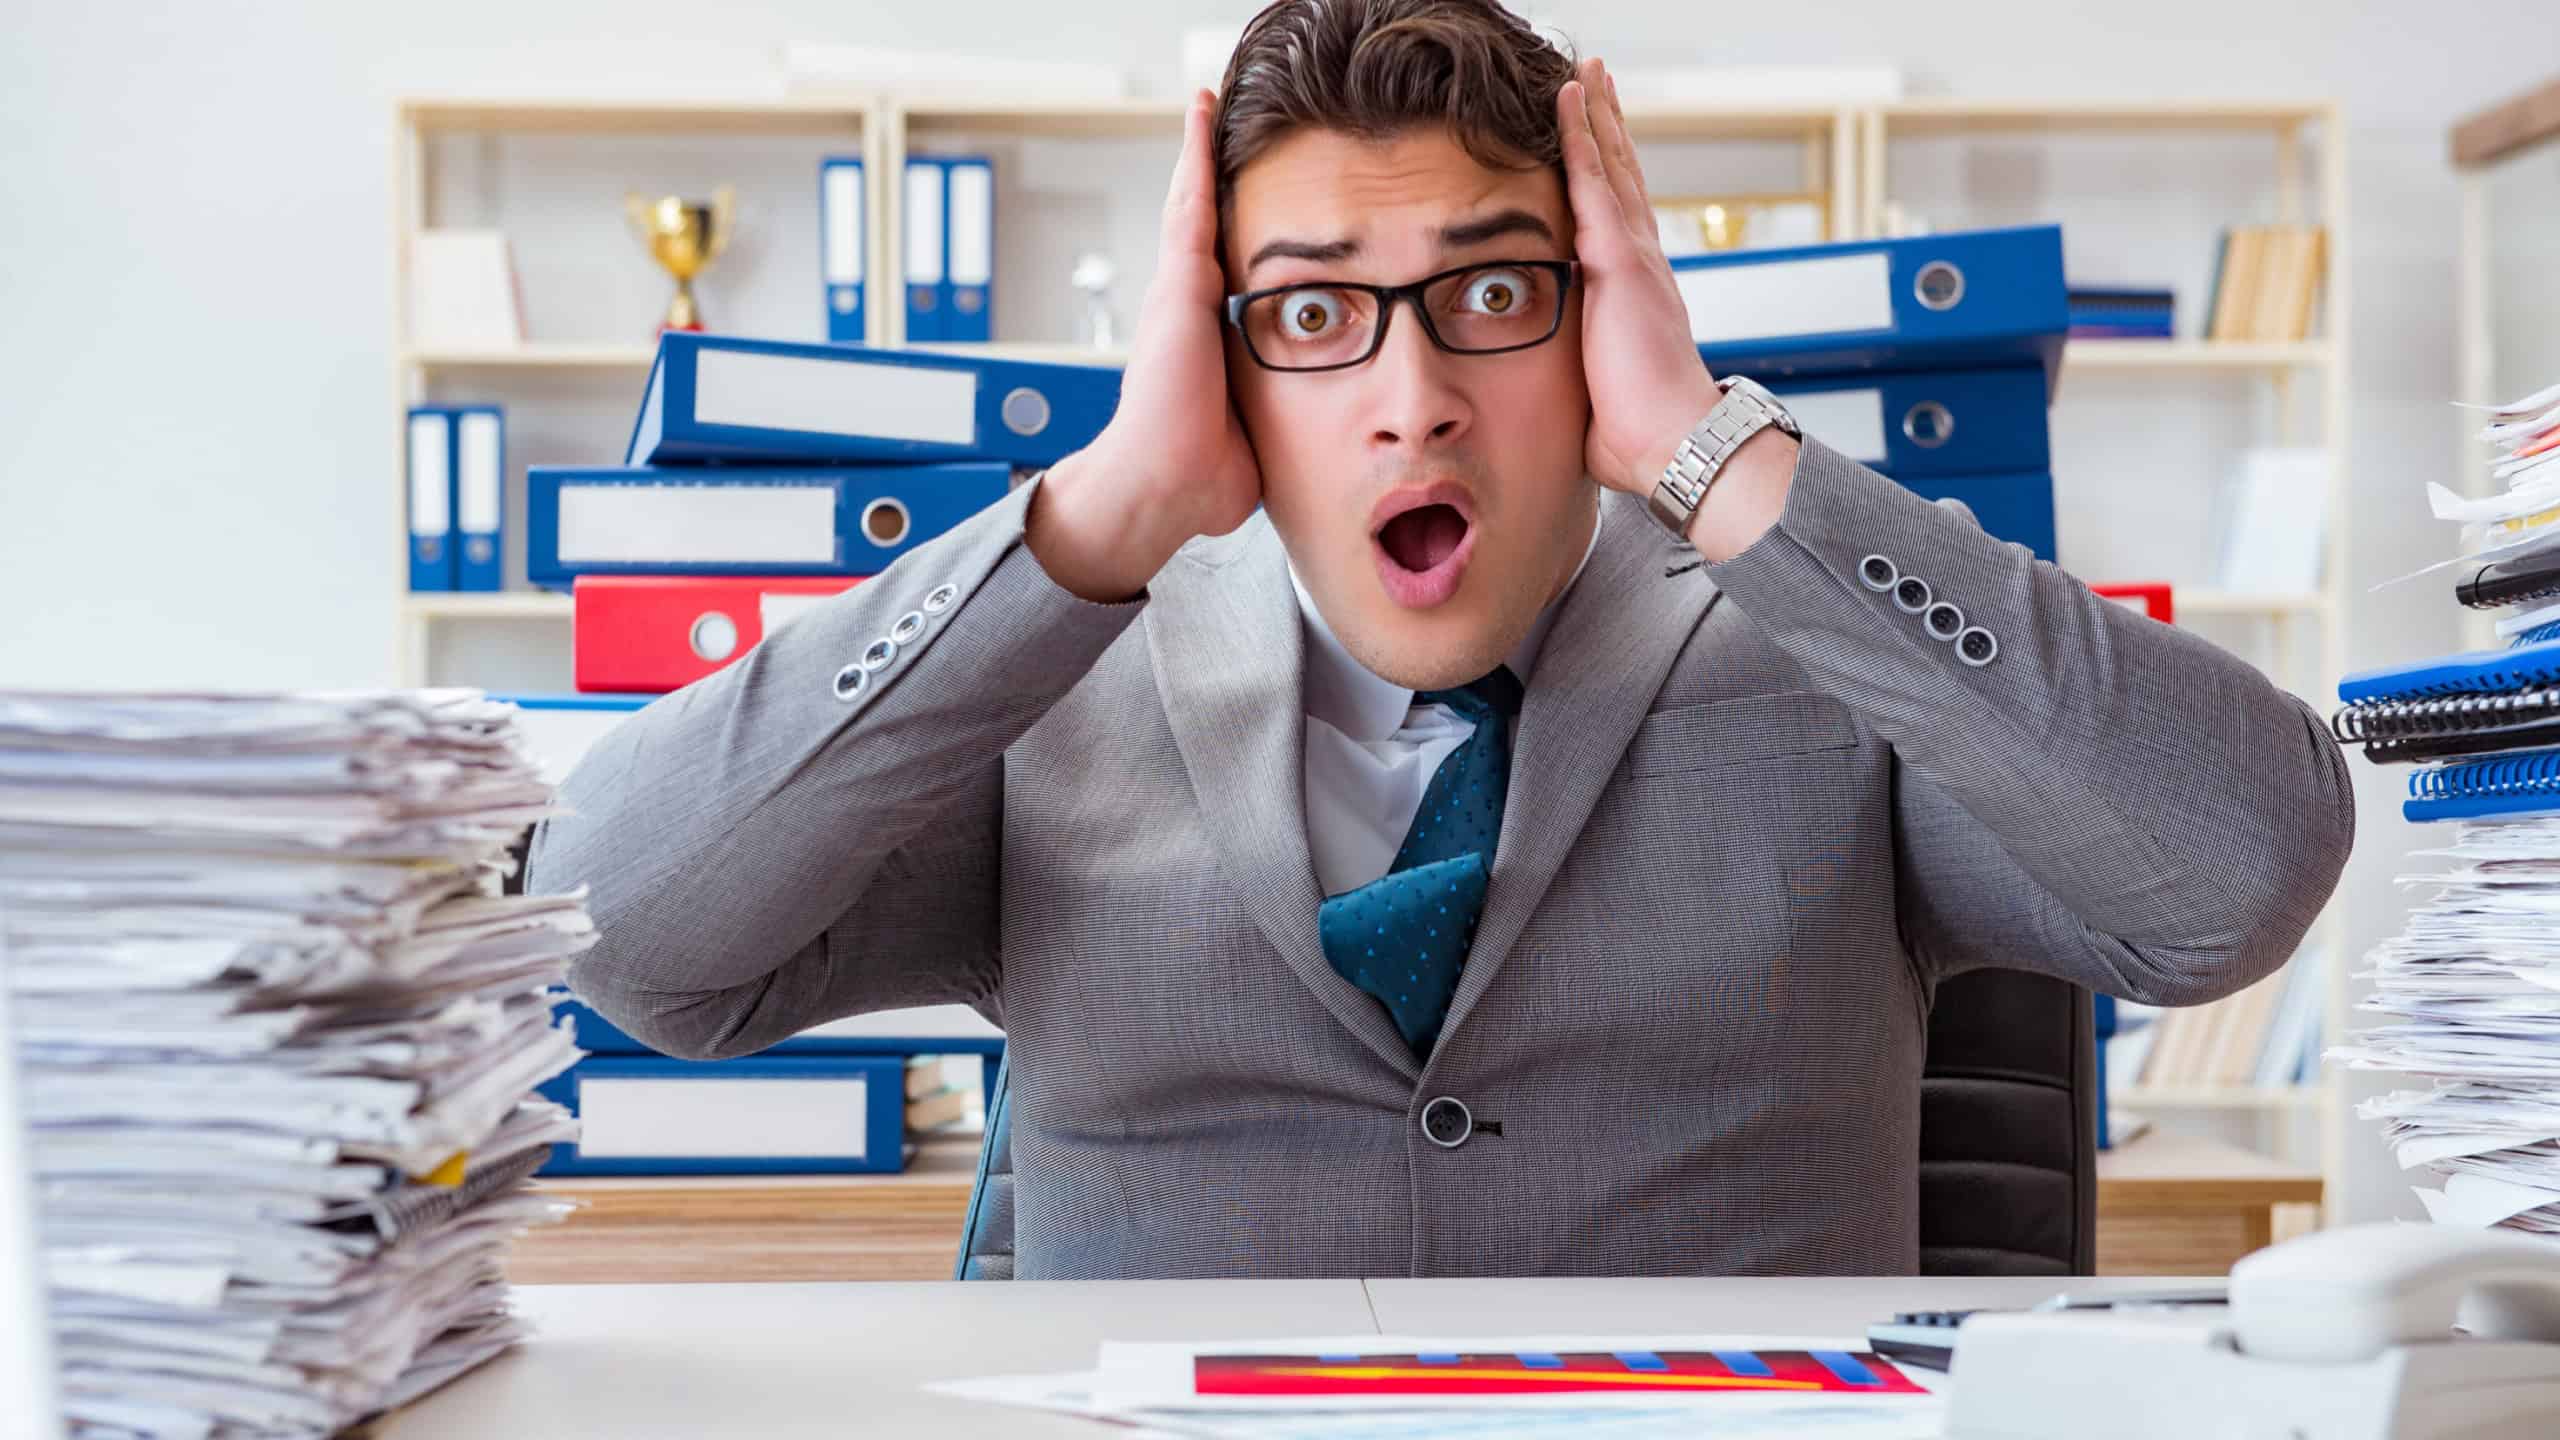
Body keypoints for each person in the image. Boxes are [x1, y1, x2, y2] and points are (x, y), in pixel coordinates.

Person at [528, 0, 2353, 1278]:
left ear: (1597, 319)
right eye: (1314, 312)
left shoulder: (1828, 655)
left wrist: (1712, 451)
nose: (1412, 400)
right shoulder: (1059, 676)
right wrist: (1088, 522)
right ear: (1221, 362)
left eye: (1493, 294)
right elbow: (620, 936)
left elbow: (2236, 878)